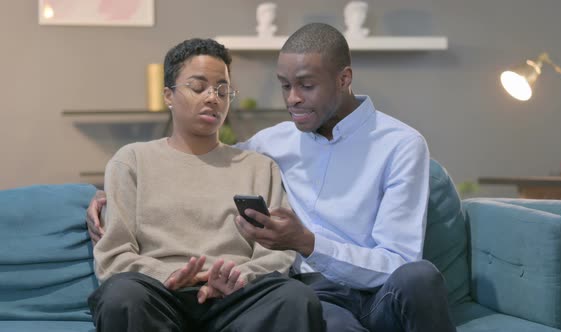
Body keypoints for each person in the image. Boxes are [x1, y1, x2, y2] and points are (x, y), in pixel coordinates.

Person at [88, 24, 455, 332]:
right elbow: (200, 160)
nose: (293, 99)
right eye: (284, 85)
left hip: (374, 290)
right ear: (169, 94)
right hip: (318, 296)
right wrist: (106, 196)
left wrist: (306, 244)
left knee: (417, 277)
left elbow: (398, 262)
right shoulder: (270, 144)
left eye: (306, 85)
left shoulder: (400, 145)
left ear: (344, 79)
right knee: (309, 306)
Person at [88, 37, 324, 332]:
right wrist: (171, 275)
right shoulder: (132, 161)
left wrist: (238, 277)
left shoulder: (259, 167)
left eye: (223, 90)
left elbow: (277, 253)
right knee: (121, 296)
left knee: (296, 298)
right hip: (158, 294)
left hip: (236, 297)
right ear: (168, 95)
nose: (213, 98)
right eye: (198, 87)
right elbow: (114, 256)